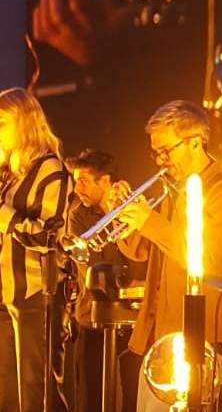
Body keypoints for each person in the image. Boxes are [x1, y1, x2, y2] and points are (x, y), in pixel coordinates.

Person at [116, 100, 222, 411]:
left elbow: (206, 259)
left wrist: (149, 222)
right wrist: (123, 216)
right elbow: (141, 252)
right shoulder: (174, 192)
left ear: (194, 142)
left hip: (200, 341)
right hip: (160, 337)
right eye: (156, 153)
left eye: (167, 151)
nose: (161, 162)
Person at [0, 87, 69, 412]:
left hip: (34, 293)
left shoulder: (51, 170)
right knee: (5, 392)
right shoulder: (5, 176)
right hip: (0, 293)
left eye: (0, 123)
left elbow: (47, 237)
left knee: (33, 392)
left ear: (24, 122)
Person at [61, 148, 147, 412]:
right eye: (76, 181)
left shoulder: (135, 209)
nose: (78, 189)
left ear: (106, 181)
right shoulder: (78, 214)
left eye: (84, 181)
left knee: (134, 391)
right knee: (91, 393)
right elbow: (90, 264)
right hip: (93, 314)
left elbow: (142, 258)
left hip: (134, 316)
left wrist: (119, 212)